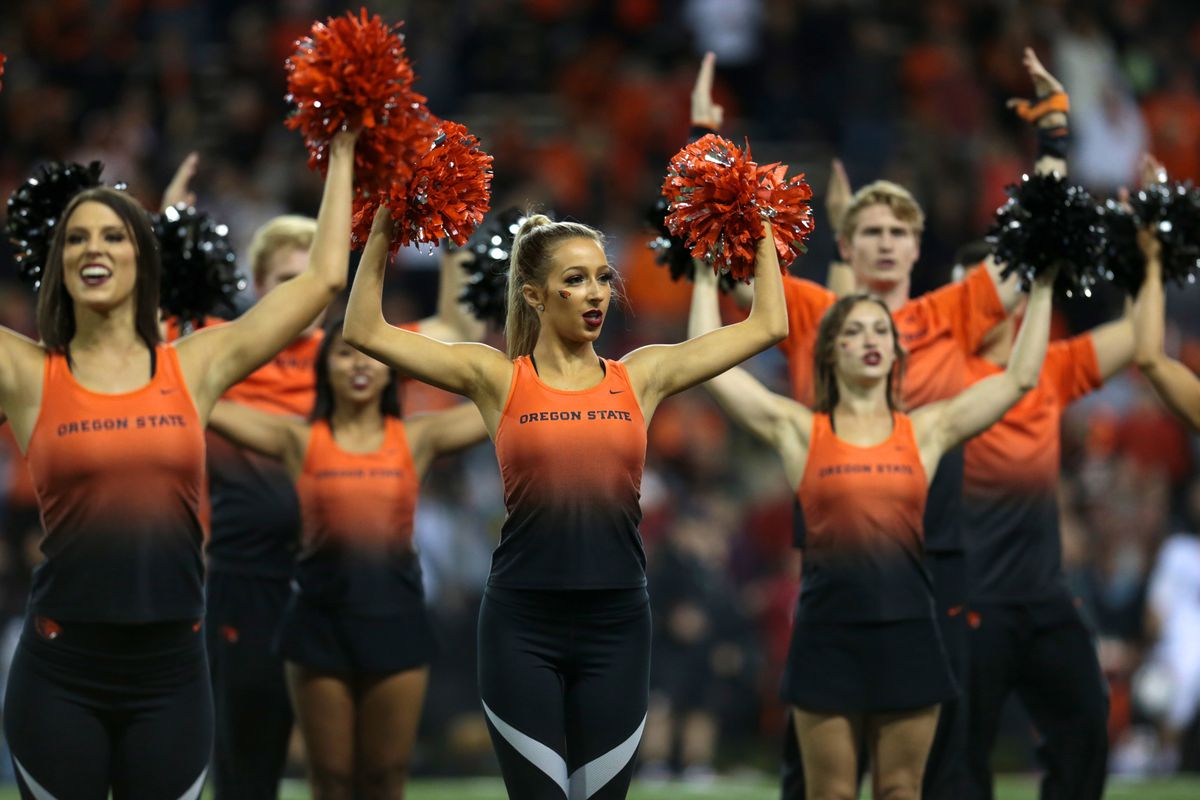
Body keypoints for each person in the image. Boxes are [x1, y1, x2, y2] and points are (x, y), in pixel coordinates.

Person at [696, 49, 1062, 799]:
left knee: (934, 767)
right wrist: (706, 145)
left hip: (935, 547)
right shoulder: (811, 309)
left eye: (901, 231)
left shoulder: (946, 315)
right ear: (848, 244)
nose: (888, 243)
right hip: (831, 547)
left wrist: (1053, 144)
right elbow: (720, 279)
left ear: (918, 245)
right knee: (819, 780)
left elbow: (1029, 254)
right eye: (870, 232)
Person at [343, 200, 788, 799]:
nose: (595, 293)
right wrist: (383, 226)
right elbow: (363, 330)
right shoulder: (496, 377)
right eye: (575, 280)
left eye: (603, 278)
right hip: (521, 628)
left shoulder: (642, 376)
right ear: (533, 295)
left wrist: (755, 215)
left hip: (618, 627)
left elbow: (768, 326)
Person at [1, 129, 356, 798]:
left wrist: (341, 151)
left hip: (172, 675)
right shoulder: (25, 372)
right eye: (76, 238)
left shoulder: (196, 365)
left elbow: (324, 279)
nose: (93, 249)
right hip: (59, 671)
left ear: (143, 260)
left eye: (113, 235)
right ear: (57, 262)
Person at [160, 154, 484, 799]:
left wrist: (453, 230)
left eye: (313, 281)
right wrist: (170, 228)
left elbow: (455, 330)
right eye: (286, 280)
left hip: (339, 586)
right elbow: (154, 348)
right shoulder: (220, 350)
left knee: (344, 773)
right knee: (246, 762)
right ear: (256, 284)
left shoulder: (351, 352)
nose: (302, 296)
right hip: (246, 579)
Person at [688, 257, 1055, 800]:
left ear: (895, 350)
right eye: (854, 330)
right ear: (831, 350)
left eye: (880, 329)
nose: (870, 339)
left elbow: (1021, 377)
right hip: (826, 636)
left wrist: (1041, 282)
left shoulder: (927, 431)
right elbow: (708, 364)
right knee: (830, 794)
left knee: (902, 791)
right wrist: (700, 275)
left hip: (909, 633)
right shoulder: (800, 431)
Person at [205, 318, 488, 799]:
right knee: (330, 781)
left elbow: (507, 399)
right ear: (323, 367)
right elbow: (198, 397)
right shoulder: (299, 439)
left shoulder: (417, 438)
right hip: (317, 625)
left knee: (385, 780)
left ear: (392, 370)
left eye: (370, 355)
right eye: (343, 353)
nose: (359, 364)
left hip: (396, 621)